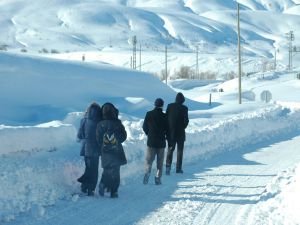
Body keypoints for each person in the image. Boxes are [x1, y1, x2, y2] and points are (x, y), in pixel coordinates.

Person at [96, 102, 127, 198]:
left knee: (107, 170)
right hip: (116, 151)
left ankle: (102, 184)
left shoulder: (100, 124)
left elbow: (98, 139)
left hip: (105, 152)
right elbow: (123, 137)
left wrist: (104, 145)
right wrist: (116, 141)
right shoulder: (117, 123)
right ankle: (114, 192)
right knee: (116, 172)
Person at [77, 102, 102, 196]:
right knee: (94, 170)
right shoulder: (101, 121)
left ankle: (84, 186)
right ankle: (90, 189)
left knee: (88, 168)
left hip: (85, 147)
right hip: (96, 148)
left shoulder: (83, 120)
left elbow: (80, 135)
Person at [142, 98, 168, 185]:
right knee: (159, 163)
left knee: (149, 161)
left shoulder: (149, 114)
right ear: (162, 105)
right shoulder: (165, 116)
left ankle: (147, 173)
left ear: (155, 104)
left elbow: (144, 127)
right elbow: (168, 129)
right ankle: (157, 178)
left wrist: (148, 134)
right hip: (161, 143)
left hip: (151, 142)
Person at [165, 92, 189, 175]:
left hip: (171, 133)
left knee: (170, 150)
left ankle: (167, 168)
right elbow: (186, 121)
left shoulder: (170, 106)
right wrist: (182, 127)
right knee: (180, 151)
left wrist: (168, 129)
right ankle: (178, 169)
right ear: (182, 100)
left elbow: (166, 118)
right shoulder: (184, 108)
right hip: (180, 133)